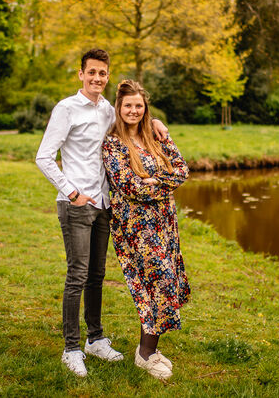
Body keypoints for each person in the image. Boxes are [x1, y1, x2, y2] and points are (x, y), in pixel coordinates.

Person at [36, 49, 168, 377]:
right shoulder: (66, 109)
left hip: (103, 205)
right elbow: (44, 156)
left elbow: (132, 121)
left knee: (96, 276)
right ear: (81, 74)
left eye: (103, 73)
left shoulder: (108, 110)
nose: (97, 78)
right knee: (77, 276)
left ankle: (95, 339)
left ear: (108, 76)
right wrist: (71, 192)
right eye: (92, 72)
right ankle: (71, 348)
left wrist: (154, 121)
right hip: (76, 205)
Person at [102, 79, 190, 380]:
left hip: (164, 223)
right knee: (157, 283)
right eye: (128, 105)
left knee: (164, 282)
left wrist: (157, 182)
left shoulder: (155, 135)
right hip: (136, 227)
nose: (133, 110)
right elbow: (130, 187)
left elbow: (182, 170)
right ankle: (146, 354)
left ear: (145, 107)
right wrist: (161, 184)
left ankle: (147, 350)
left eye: (138, 105)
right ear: (119, 107)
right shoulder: (113, 144)